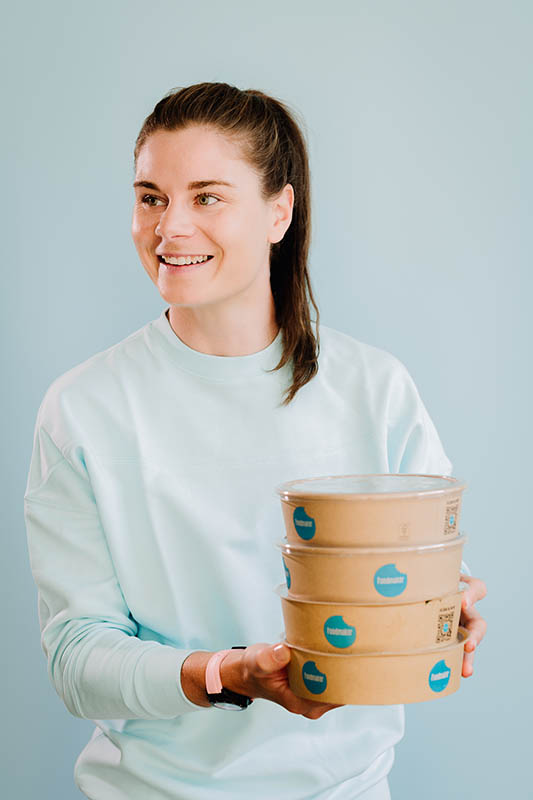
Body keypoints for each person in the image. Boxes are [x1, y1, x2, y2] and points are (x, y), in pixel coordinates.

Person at [23, 82, 487, 800]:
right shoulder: (83, 409)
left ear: (280, 211)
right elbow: (77, 659)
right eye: (151, 197)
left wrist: (448, 602)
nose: (169, 227)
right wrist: (226, 674)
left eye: (207, 197)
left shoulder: (375, 389)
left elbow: (425, 569)